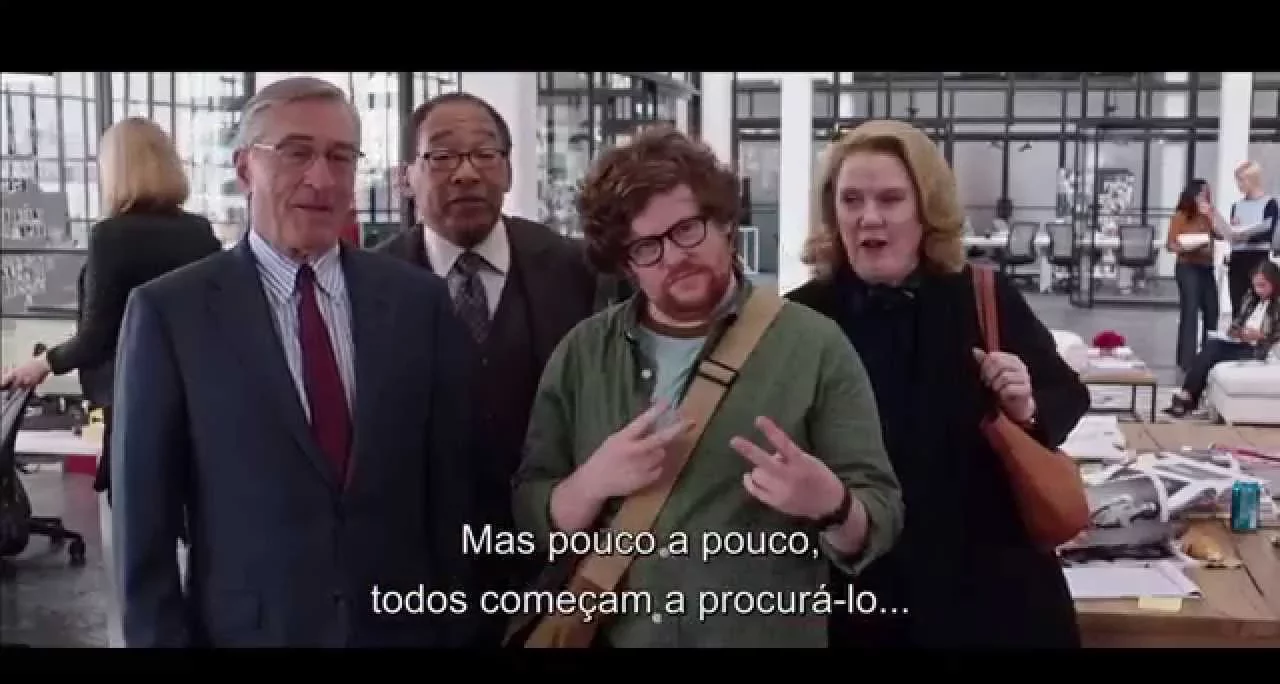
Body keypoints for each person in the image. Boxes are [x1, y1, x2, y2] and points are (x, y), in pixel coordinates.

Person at [111, 77, 480, 647]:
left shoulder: (417, 302)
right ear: (244, 169)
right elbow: (145, 533)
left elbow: (454, 496)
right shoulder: (170, 314)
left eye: (341, 157)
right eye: (296, 153)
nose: (322, 179)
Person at [511, 126, 903, 648]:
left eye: (687, 230)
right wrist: (589, 484)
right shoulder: (582, 354)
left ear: (724, 223)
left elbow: (880, 516)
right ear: (625, 264)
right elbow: (531, 507)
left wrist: (832, 504)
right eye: (646, 247)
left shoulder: (814, 345)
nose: (674, 257)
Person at [786, 119, 1091, 648]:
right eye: (851, 200)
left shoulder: (983, 296)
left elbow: (1066, 396)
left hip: (990, 595)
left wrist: (1025, 406)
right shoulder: (800, 318)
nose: (869, 217)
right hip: (861, 595)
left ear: (927, 210)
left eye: (890, 199)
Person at [375, 93, 601, 634]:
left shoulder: (577, 270)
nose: (467, 173)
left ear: (508, 169)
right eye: (443, 156)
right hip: (421, 579)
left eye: (485, 154)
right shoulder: (372, 286)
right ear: (405, 177)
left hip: (552, 569)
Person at [0, 117, 222, 503]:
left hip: (136, 402)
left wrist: (41, 364)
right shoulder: (199, 233)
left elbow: (95, 337)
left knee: (135, 516)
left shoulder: (111, 236)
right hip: (196, 402)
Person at [1165, 260, 1280, 417]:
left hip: (1259, 350)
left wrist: (1261, 336)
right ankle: (1188, 394)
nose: (1258, 290)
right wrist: (1235, 331)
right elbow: (1238, 321)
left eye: (1262, 285)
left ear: (1274, 283)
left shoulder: (1277, 304)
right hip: (1243, 343)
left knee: (1213, 351)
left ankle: (1188, 397)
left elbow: (1275, 334)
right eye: (1255, 285)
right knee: (1212, 345)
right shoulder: (1251, 297)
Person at [1167, 179, 1224, 374]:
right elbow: (1171, 245)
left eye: (1207, 194)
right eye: (1201, 194)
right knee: (1190, 311)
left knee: (1212, 309)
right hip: (1187, 266)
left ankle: (1209, 355)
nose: (1205, 198)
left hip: (1206, 267)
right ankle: (1187, 360)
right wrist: (1187, 245)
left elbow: (1221, 235)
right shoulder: (1181, 216)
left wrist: (1211, 217)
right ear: (1192, 195)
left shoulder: (1209, 216)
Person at [1227, 161, 1279, 317]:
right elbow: (1233, 232)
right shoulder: (1236, 205)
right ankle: (1238, 331)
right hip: (1237, 258)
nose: (1239, 184)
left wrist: (1247, 236)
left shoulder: (1269, 203)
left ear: (1252, 179)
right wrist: (1232, 232)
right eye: (1237, 180)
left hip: (1257, 259)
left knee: (1256, 302)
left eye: (1242, 180)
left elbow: (1268, 234)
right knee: (1237, 303)